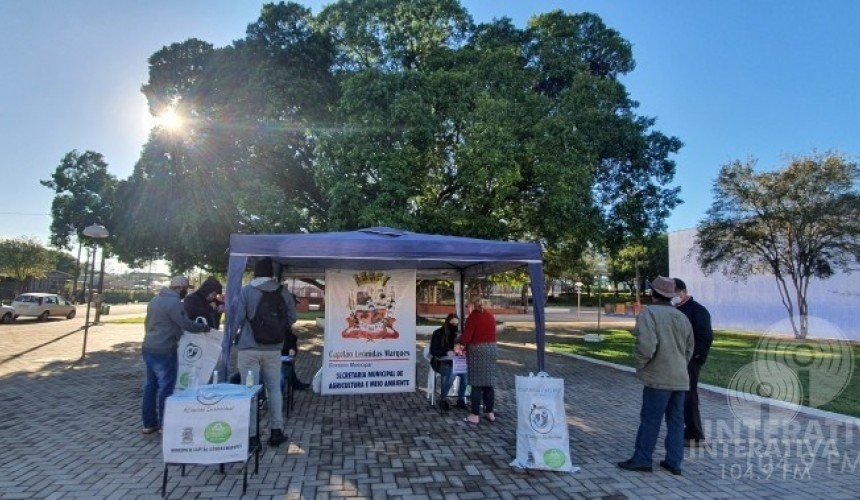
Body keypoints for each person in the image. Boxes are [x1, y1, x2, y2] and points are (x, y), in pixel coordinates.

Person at [618, 276, 693, 475]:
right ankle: (674, 462)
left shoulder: (649, 313)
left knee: (651, 419)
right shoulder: (681, 316)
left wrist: (641, 365)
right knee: (676, 422)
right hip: (680, 377)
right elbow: (689, 348)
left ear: (652, 293)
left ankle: (642, 459)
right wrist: (679, 365)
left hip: (659, 377)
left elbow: (646, 346)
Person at [236, 257, 297, 448]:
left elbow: (238, 318)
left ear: (255, 272)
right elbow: (292, 317)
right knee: (274, 389)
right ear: (271, 273)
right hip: (274, 349)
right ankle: (276, 432)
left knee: (250, 390)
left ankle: (252, 436)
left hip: (249, 348)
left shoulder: (246, 291)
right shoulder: (283, 291)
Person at [141, 276, 210, 434]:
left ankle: (149, 423)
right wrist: (202, 328)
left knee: (150, 386)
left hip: (149, 347)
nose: (187, 291)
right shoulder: (174, 304)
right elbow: (184, 323)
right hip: (165, 350)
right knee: (166, 386)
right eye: (186, 288)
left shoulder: (154, 301)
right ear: (179, 288)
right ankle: (166, 423)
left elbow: (147, 323)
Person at [673, 278, 713, 447]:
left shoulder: (697, 310)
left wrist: (697, 357)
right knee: (683, 396)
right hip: (678, 359)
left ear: (682, 292)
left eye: (674, 293)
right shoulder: (677, 309)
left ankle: (695, 434)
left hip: (690, 360)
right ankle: (689, 430)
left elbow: (705, 336)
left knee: (689, 396)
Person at [457, 296, 498, 425]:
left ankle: (475, 415)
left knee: (476, 384)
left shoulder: (473, 317)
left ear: (471, 306)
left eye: (467, 306)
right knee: (488, 383)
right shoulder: (490, 316)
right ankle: (490, 412)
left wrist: (459, 342)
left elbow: (467, 337)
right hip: (491, 349)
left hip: (477, 351)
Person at [429, 313, 467, 411]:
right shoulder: (438, 333)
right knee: (452, 372)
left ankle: (461, 399)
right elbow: (433, 351)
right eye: (452, 323)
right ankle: (443, 399)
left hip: (456, 363)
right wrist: (446, 351)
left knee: (465, 374)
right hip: (439, 362)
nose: (454, 326)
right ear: (447, 322)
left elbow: (464, 348)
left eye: (456, 324)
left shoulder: (458, 335)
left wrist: (461, 349)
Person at [281, 327, 310, 393]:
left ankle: (294, 382)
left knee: (285, 371)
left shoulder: (288, 335)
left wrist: (292, 350)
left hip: (283, 362)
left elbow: (292, 349)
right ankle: (295, 382)